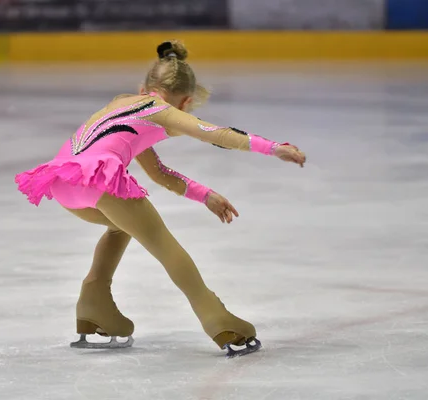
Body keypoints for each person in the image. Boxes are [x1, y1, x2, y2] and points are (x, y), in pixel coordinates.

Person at [15, 40, 306, 357]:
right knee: (164, 245)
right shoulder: (158, 110)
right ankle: (218, 320)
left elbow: (158, 172)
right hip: (96, 178)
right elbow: (215, 133)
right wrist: (273, 147)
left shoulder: (124, 102)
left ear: (144, 86)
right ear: (186, 102)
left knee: (120, 226)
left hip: (64, 181)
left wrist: (204, 195)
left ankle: (95, 305)